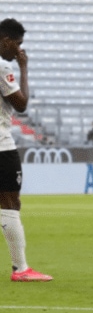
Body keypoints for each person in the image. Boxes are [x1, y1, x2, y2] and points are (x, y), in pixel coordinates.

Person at [0, 18, 51, 282]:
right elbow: (21, 104)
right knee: (10, 202)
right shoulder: (3, 67)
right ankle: (21, 269)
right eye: (17, 44)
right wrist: (24, 68)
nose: (19, 50)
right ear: (6, 41)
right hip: (1, 146)